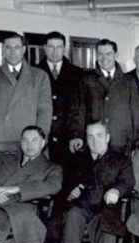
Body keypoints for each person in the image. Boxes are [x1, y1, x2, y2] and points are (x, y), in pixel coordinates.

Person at [61, 121, 134, 243]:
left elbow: (128, 181)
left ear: (108, 137)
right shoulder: (77, 159)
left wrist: (117, 190)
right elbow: (64, 183)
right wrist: (72, 190)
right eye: (90, 137)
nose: (95, 141)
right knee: (71, 216)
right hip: (83, 206)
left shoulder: (120, 159)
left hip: (106, 206)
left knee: (110, 222)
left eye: (99, 136)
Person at [0, 32, 52, 156]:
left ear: (24, 49)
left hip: (29, 142)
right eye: (8, 48)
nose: (12, 52)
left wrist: (41, 137)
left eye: (17, 47)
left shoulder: (39, 76)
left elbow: (45, 111)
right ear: (3, 50)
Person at [69, 38, 139, 156]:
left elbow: (136, 114)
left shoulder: (129, 81)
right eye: (100, 54)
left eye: (108, 54)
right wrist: (76, 135)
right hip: (96, 143)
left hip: (122, 143)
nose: (104, 58)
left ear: (116, 54)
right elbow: (79, 111)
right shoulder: (86, 80)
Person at [38, 31, 83, 165]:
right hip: (43, 138)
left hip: (69, 139)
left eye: (59, 47)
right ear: (45, 48)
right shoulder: (34, 72)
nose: (55, 51)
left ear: (65, 48)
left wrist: (77, 135)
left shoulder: (77, 73)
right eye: (51, 47)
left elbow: (80, 108)